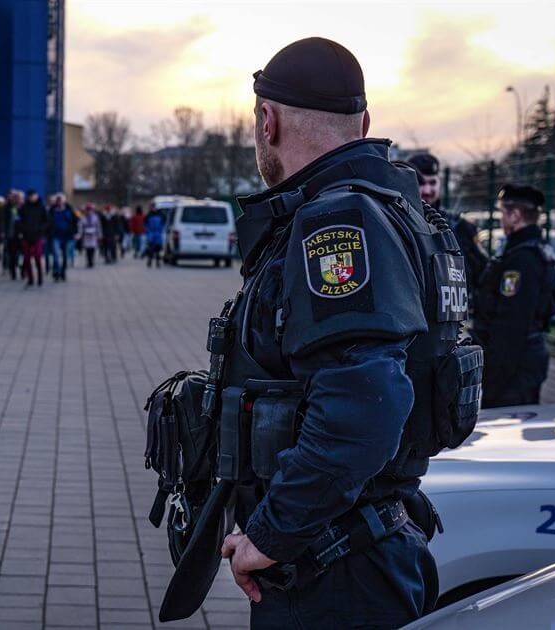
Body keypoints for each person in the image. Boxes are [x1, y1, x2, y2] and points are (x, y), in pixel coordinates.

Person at [178, 37, 474, 629]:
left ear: (268, 120)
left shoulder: (338, 221)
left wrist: (273, 532)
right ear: (364, 122)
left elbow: (365, 404)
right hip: (356, 547)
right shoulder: (392, 211)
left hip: (335, 569)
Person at [473, 185, 555, 408]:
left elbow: (512, 322)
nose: (500, 218)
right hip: (526, 356)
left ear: (516, 215)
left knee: (506, 425)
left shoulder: (522, 259)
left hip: (514, 363)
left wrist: (495, 376)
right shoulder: (533, 250)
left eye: (502, 212)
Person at [408, 152, 487, 305]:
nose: (427, 190)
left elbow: (482, 272)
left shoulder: (459, 226)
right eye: (421, 183)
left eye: (432, 183)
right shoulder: (398, 222)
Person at [18, 189, 49, 287]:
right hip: (26, 236)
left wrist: (41, 229)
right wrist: (22, 230)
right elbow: (19, 220)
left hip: (37, 236)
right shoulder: (24, 208)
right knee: (27, 258)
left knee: (37, 257)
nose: (32, 198)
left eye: (33, 196)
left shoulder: (41, 207)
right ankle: (30, 278)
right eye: (30, 196)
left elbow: (47, 221)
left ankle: (40, 277)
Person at [48, 193, 77, 281]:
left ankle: (63, 272)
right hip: (55, 236)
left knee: (65, 256)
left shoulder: (69, 210)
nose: (60, 202)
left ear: (64, 201)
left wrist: (75, 233)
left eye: (61, 200)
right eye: (58, 200)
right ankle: (56, 271)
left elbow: (75, 222)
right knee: (56, 255)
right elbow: (48, 222)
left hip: (67, 236)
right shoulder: (52, 211)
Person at [79, 204, 102, 268]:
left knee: (93, 248)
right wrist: (80, 234)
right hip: (86, 235)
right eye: (87, 210)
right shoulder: (83, 217)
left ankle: (92, 261)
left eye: (90, 210)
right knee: (87, 249)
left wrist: (99, 235)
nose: (89, 211)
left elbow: (98, 226)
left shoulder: (95, 217)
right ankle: (88, 261)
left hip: (93, 234)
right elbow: (80, 226)